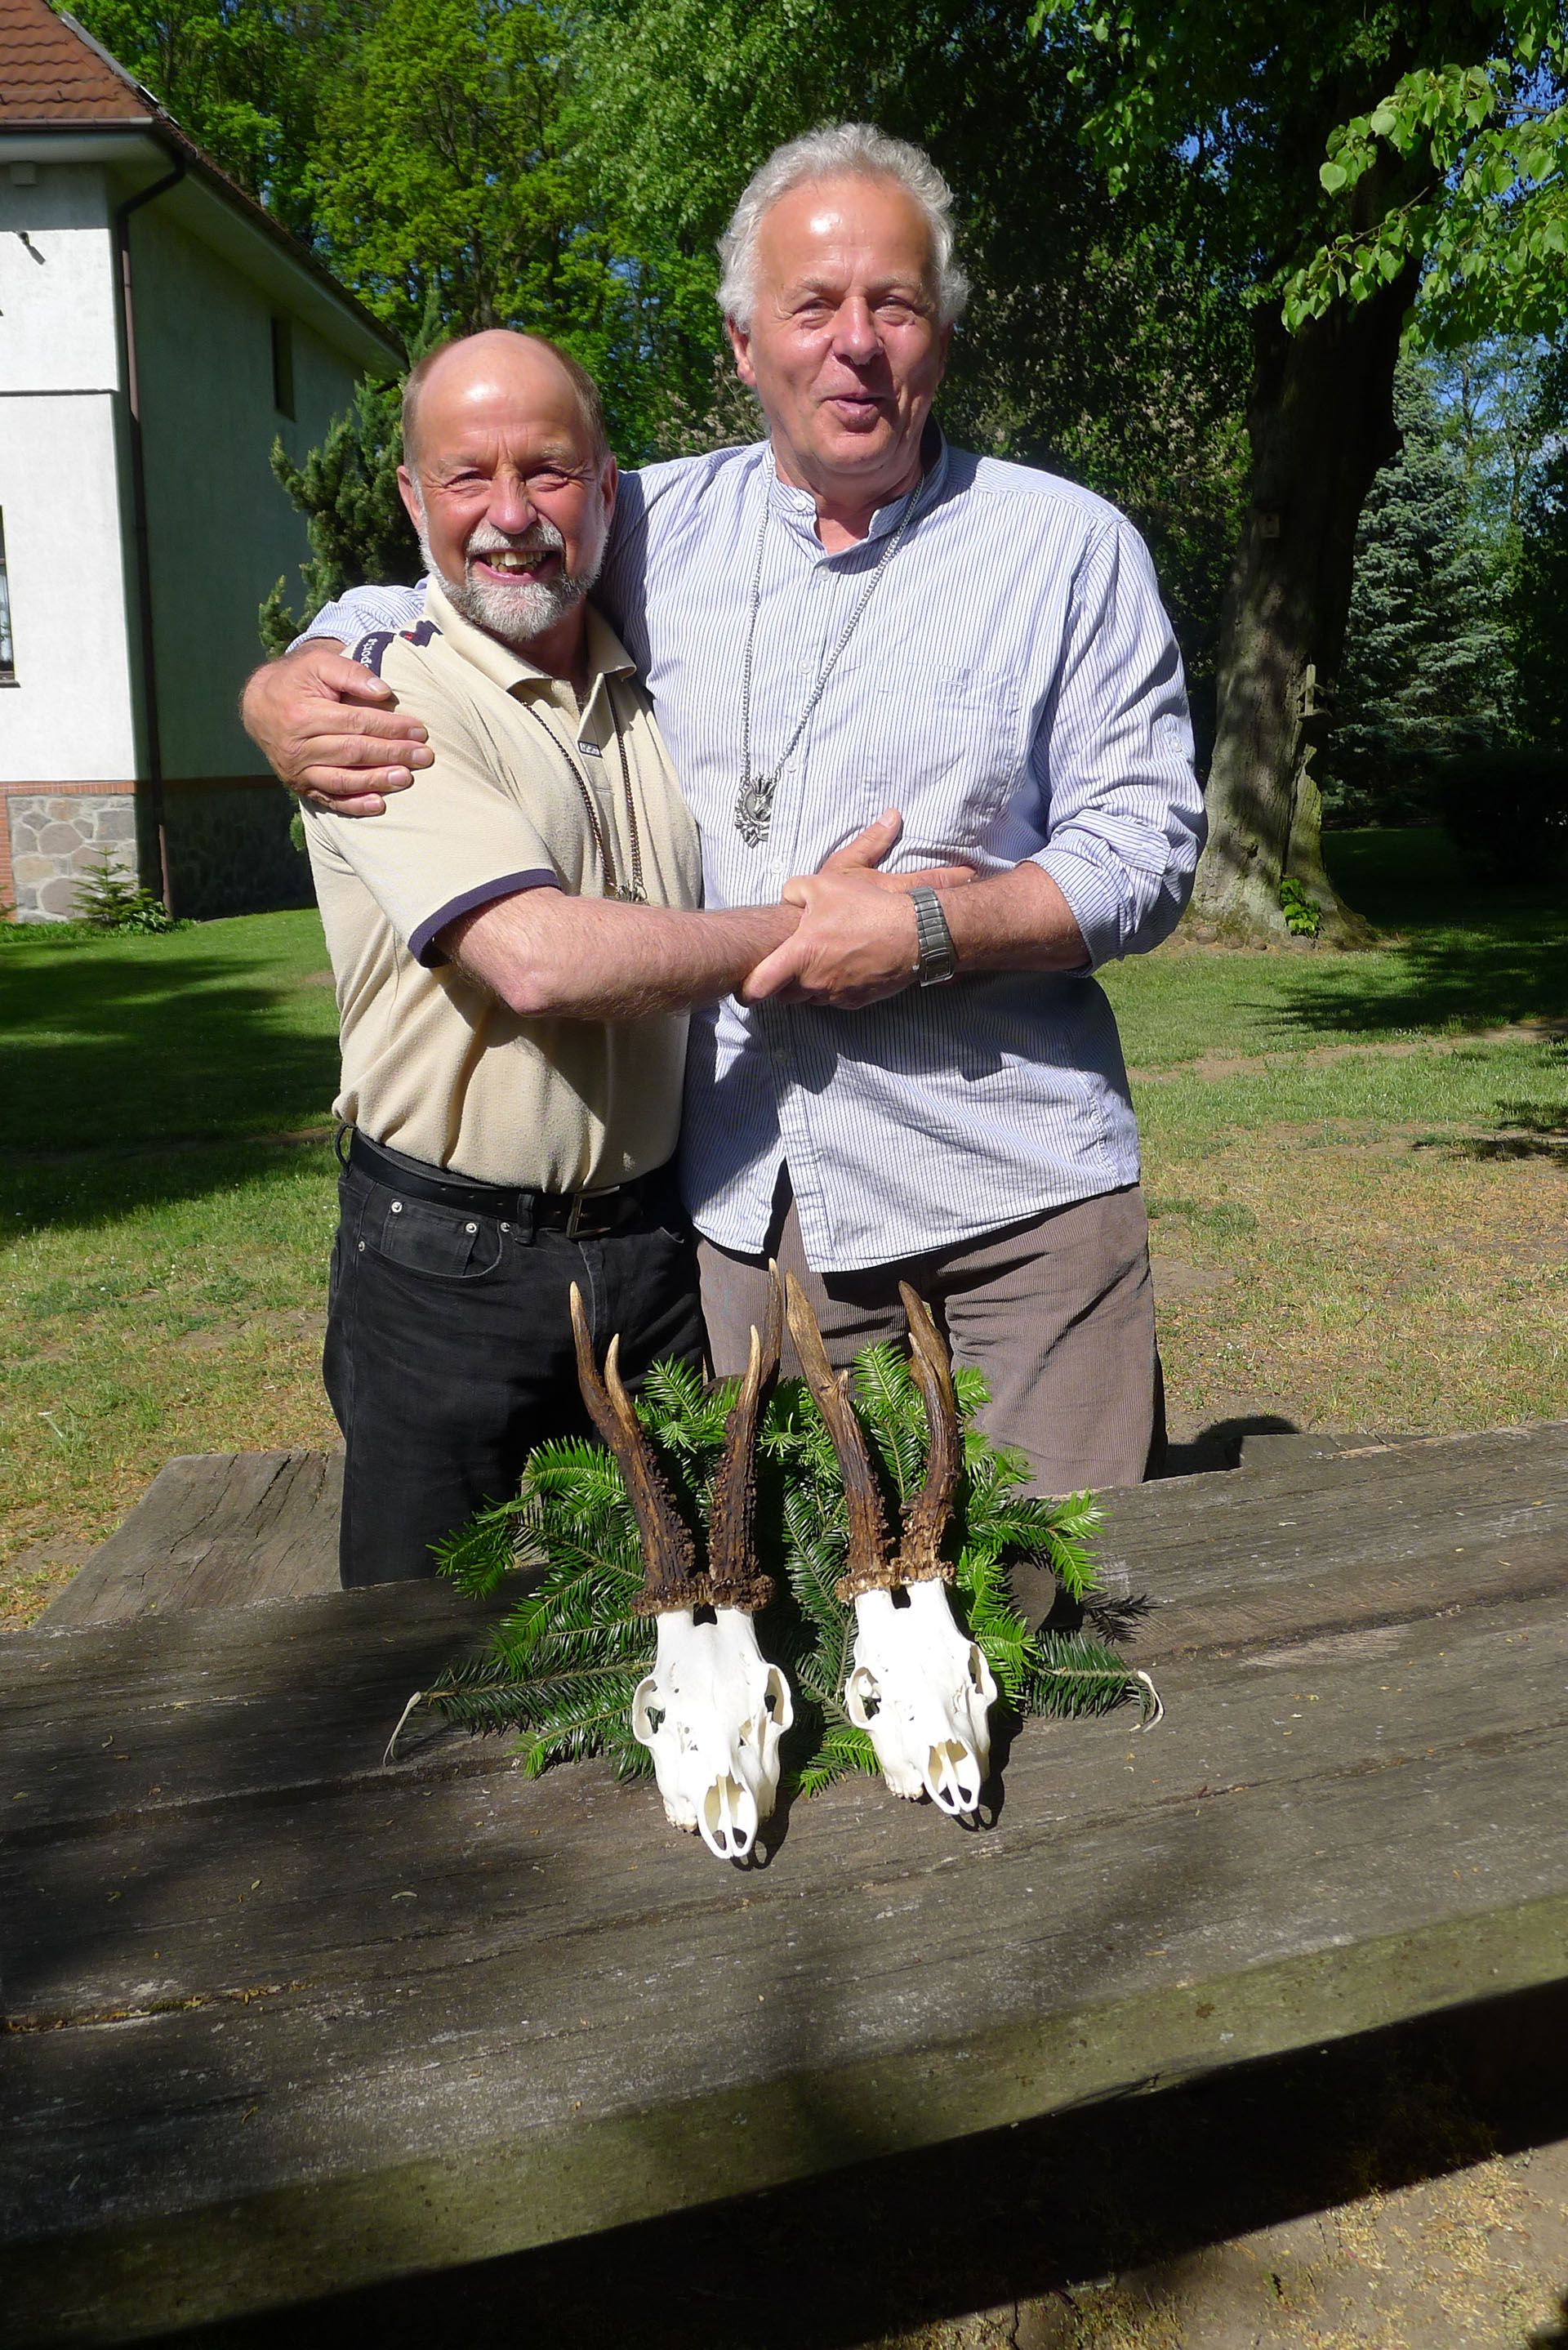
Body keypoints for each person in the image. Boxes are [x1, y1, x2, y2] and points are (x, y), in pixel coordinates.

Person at [244, 124, 1206, 1499]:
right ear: (745, 345)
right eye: (812, 306)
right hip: (761, 1213)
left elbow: (1146, 851)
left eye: (895, 304)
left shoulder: (1069, 548)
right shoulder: (655, 523)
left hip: (1018, 1200)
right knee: (803, 1604)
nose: (855, 343)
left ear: (942, 339)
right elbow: (480, 554)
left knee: (1071, 1589)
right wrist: (290, 677)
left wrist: (929, 930)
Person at [304, 328, 940, 1584]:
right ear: (412, 501)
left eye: (546, 471)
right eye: (467, 476)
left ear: (607, 490)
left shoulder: (650, 691)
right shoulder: (379, 702)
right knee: (424, 1642)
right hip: (444, 1266)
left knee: (692, 1611)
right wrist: (821, 928)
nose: (511, 515)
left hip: (652, 1256)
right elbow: (535, 959)